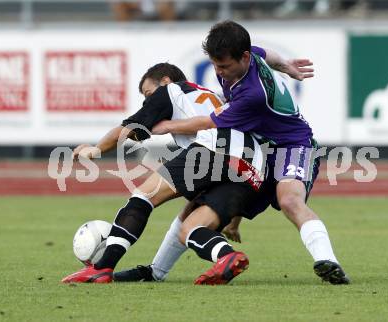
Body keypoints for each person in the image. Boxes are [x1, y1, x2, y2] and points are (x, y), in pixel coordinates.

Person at [131, 21, 350, 285]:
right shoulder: (247, 54)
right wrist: (286, 65)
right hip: (255, 150)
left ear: (244, 58)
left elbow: (210, 122)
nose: (219, 73)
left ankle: (328, 261)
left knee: (290, 200)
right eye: (215, 65)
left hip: (292, 145)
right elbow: (267, 54)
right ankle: (156, 272)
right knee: (196, 204)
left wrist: (168, 126)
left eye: (224, 66)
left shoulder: (253, 94)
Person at [61, 63, 273, 285]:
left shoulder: (171, 90)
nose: (147, 101)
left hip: (214, 150)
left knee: (144, 196)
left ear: (165, 81)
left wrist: (95, 150)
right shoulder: (217, 96)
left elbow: (129, 129)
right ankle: (225, 257)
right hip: (254, 169)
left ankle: (102, 268)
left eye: (148, 93)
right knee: (189, 227)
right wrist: (235, 220)